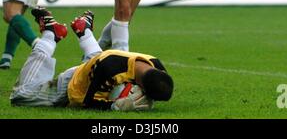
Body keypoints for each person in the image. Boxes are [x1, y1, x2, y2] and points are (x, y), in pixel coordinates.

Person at [10, 8, 174, 110]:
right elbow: (87, 101)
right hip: (74, 83)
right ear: (142, 85)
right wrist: (113, 106)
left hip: (100, 65)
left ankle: (84, 30)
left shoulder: (156, 64)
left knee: (100, 61)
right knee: (21, 96)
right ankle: (50, 34)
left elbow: (106, 63)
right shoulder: (109, 67)